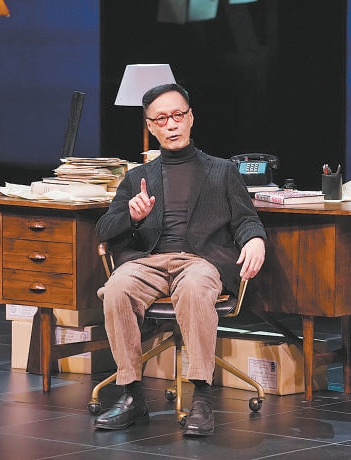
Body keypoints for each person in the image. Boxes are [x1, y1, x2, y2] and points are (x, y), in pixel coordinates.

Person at [94, 83, 266, 436]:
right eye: (161, 119)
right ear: (150, 126)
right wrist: (132, 216)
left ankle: (201, 397)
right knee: (117, 288)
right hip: (149, 260)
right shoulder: (137, 177)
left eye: (177, 115)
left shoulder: (222, 171)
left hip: (200, 261)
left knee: (195, 287)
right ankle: (132, 395)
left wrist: (255, 240)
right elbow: (104, 229)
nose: (171, 124)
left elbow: (246, 219)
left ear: (190, 118)